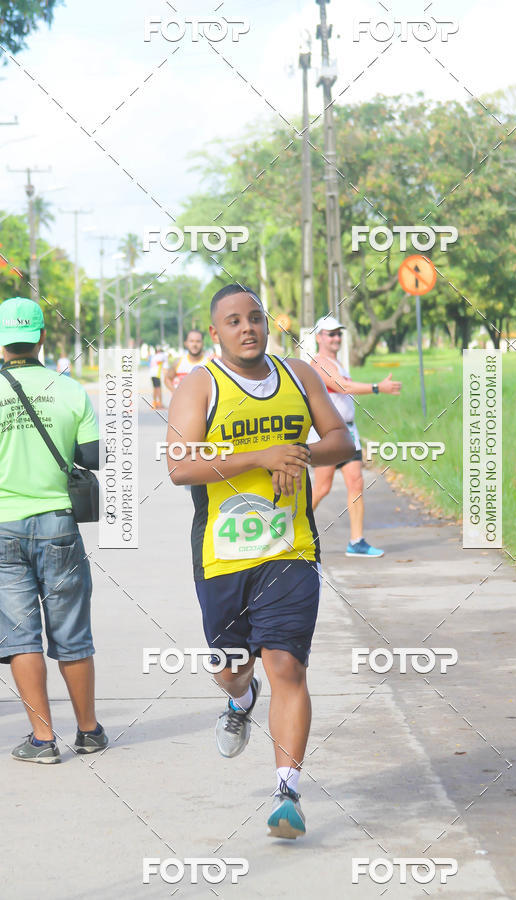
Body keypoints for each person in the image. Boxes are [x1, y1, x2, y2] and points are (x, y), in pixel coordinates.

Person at [167, 285, 353, 839]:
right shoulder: (201, 385)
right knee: (231, 669)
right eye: (233, 321)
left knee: (287, 666)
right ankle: (240, 700)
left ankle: (288, 792)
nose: (246, 328)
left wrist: (298, 454)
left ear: (266, 325)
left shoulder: (299, 375)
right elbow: (179, 466)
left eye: (254, 318)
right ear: (216, 332)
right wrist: (260, 457)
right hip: (222, 557)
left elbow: (341, 440)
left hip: (290, 549)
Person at [0, 297, 108, 763]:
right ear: (43, 337)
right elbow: (93, 458)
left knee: (21, 637)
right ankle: (88, 732)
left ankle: (43, 740)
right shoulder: (70, 391)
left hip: (3, 526)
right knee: (72, 633)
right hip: (60, 525)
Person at [308, 314, 402, 557]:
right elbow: (343, 387)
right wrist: (377, 388)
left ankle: (356, 541)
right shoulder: (318, 364)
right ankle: (290, 531)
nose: (337, 338)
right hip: (328, 434)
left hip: (349, 431)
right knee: (322, 488)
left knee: (356, 482)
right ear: (319, 337)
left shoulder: (338, 362)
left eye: (339, 333)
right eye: (331, 334)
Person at [149, 345, 168, 409]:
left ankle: (154, 403)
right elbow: (164, 363)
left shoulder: (154, 356)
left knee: (155, 389)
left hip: (152, 374)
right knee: (159, 389)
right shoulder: (162, 355)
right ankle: (160, 404)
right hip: (157, 374)